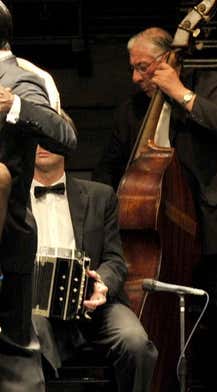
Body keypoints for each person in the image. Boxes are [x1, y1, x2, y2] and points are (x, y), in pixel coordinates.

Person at [92, 27, 217, 391]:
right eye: (133, 69)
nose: (136, 78)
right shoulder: (130, 111)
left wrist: (179, 93)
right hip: (161, 248)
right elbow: (106, 171)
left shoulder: (213, 82)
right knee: (169, 343)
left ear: (170, 60)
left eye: (144, 68)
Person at [30, 143, 158, 392]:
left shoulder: (101, 196)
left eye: (50, 138)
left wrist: (102, 284)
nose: (42, 146)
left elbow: (115, 259)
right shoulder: (11, 197)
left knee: (137, 344)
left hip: (94, 304)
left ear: (66, 143)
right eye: (36, 138)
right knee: (31, 334)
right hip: (36, 307)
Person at [0, 1, 77, 390]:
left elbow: (65, 136)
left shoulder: (22, 77)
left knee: (15, 358)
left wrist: (15, 105)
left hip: (5, 239)